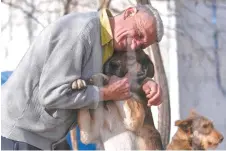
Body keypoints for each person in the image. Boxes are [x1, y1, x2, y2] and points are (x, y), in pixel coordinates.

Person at [1, 4, 164, 150]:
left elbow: (119, 81)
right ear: (129, 13)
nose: (135, 45)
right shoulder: (80, 32)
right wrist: (104, 93)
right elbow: (51, 95)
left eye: (142, 45)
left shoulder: (110, 44)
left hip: (43, 140)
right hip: (16, 136)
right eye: (138, 34)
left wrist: (147, 84)